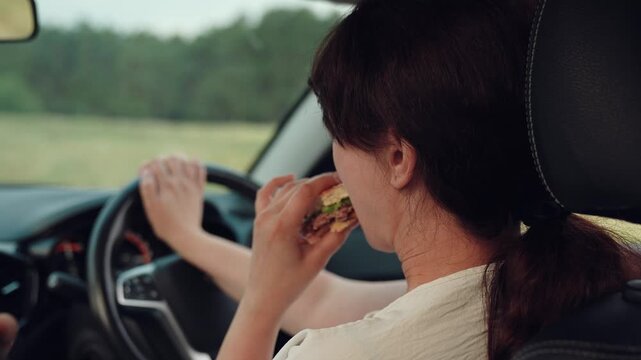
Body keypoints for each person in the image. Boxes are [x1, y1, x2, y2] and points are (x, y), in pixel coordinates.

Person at [139, 0, 641, 359]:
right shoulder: (595, 283)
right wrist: (187, 238)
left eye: (337, 134)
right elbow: (324, 301)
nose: (334, 165)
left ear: (399, 157)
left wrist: (258, 307)